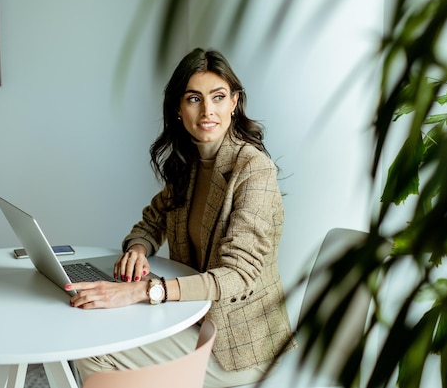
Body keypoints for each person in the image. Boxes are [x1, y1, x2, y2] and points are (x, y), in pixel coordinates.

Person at [67, 48, 296, 387]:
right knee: (92, 322)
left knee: (93, 350)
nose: (207, 111)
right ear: (177, 108)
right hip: (193, 318)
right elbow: (150, 222)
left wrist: (146, 292)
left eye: (218, 97)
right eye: (194, 99)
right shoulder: (188, 165)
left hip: (241, 346)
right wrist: (139, 249)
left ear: (234, 103)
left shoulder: (253, 170)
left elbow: (237, 275)